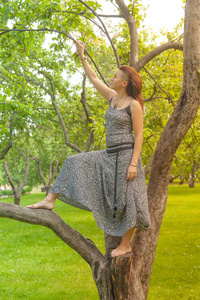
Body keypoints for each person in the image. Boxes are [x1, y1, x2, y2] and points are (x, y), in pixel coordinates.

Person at [27, 41, 151, 257]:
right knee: (73, 160)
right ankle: (50, 199)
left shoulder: (133, 105)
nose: (110, 79)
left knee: (128, 199)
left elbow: (139, 135)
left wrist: (133, 164)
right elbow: (94, 79)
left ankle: (125, 244)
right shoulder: (112, 98)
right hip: (108, 155)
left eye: (114, 77)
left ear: (124, 83)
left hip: (126, 157)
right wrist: (81, 55)